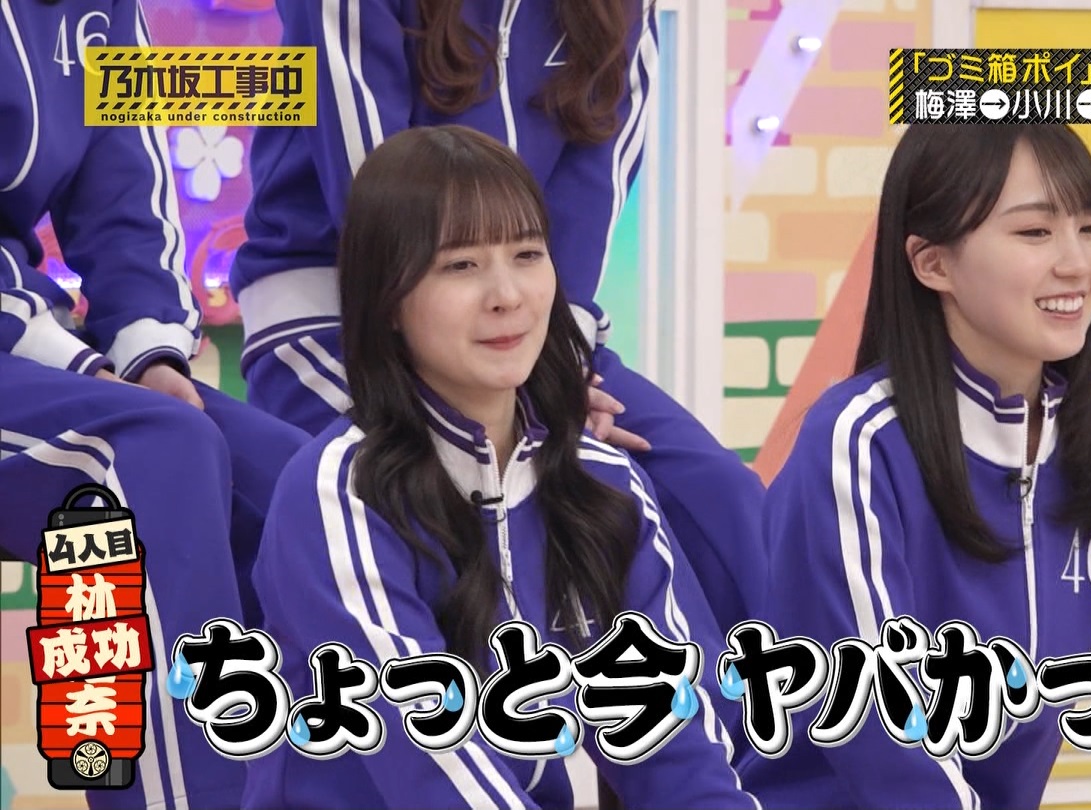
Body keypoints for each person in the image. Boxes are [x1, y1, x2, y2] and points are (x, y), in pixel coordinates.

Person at [738, 124, 1091, 810]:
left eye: (1090, 229)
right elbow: (884, 726)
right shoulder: (858, 440)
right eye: (1035, 232)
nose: (1077, 264)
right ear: (933, 264)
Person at [244, 125, 759, 810]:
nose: (507, 295)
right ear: (388, 300)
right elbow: (432, 761)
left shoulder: (603, 477)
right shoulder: (342, 490)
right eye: (460, 265)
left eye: (527, 254)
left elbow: (675, 741)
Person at [230, 0, 767, 635]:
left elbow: (592, 185)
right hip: (340, 315)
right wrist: (523, 379)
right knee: (452, 495)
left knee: (717, 495)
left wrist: (553, 361)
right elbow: (381, 210)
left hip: (535, 328)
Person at [0, 0, 309, 807]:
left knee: (291, 476)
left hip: (25, 342)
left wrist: (149, 353)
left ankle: (294, 788)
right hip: (21, 337)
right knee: (146, 458)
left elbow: (127, 208)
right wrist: (77, 362)